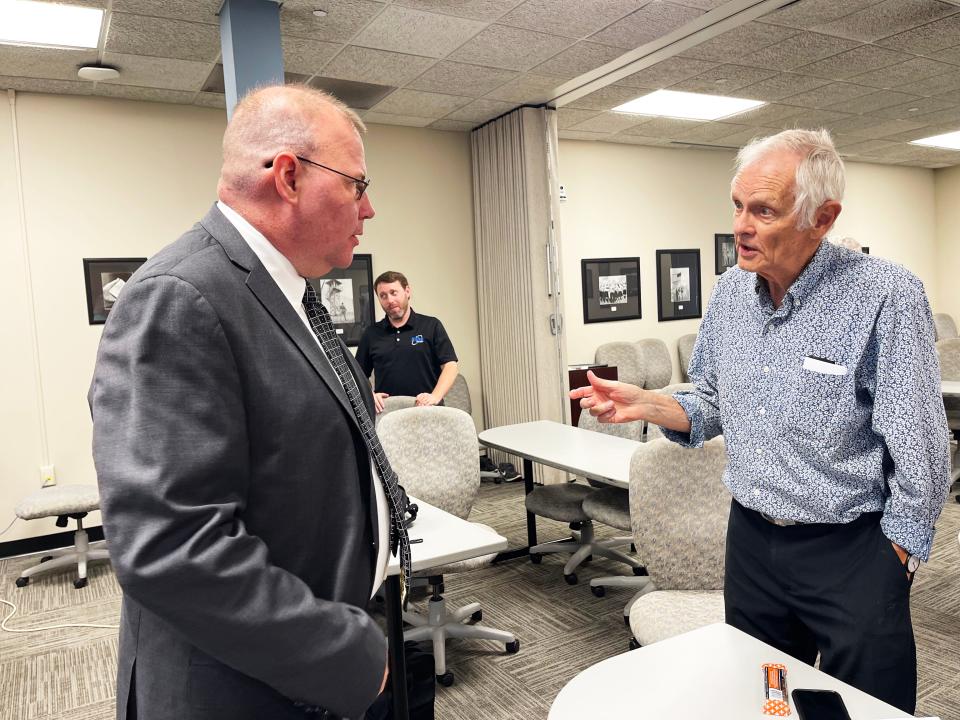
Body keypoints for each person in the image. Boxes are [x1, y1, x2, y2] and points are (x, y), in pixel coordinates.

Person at [572, 128, 950, 714]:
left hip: (851, 550)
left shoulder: (885, 294)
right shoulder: (729, 296)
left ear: (822, 218)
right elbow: (714, 403)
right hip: (752, 544)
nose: (740, 226)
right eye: (737, 205)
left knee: (866, 707)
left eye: (763, 211)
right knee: (765, 697)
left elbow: (921, 446)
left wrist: (895, 557)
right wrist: (648, 405)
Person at [89, 85, 398, 720]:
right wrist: (346, 653)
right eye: (356, 185)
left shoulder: (291, 293)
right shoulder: (180, 297)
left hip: (301, 656)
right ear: (287, 176)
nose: (368, 209)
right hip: (241, 687)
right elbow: (172, 546)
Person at [356, 270, 459, 413]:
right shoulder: (371, 334)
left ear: (407, 291)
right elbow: (357, 374)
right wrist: (369, 395)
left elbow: (450, 366)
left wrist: (435, 396)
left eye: (394, 292)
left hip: (428, 411)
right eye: (383, 296)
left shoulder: (431, 325)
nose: (390, 300)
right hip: (388, 415)